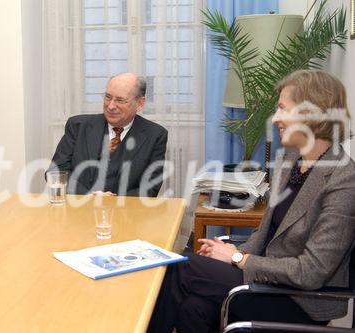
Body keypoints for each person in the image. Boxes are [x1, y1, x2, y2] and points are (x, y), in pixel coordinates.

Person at [147, 69, 355, 332]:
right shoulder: (290, 160)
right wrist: (235, 253)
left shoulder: (343, 180)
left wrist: (237, 259)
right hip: (264, 281)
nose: (276, 118)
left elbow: (312, 272)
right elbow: (265, 232)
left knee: (178, 268)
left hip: (301, 302)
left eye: (282, 109)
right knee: (193, 309)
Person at [48, 73, 168, 197]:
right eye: (108, 97)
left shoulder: (155, 135)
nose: (111, 106)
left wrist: (113, 201)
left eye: (120, 100)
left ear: (140, 103)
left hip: (125, 212)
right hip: (78, 209)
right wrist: (88, 196)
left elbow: (151, 187)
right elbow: (55, 172)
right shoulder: (77, 126)